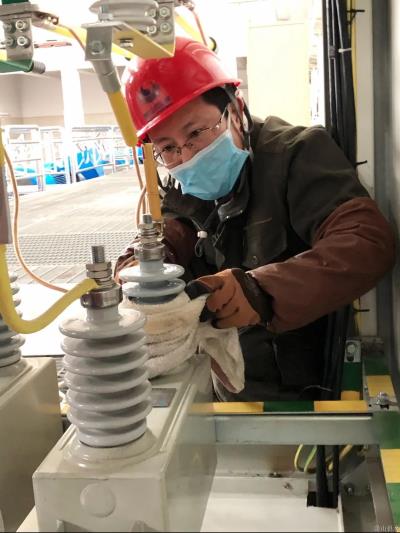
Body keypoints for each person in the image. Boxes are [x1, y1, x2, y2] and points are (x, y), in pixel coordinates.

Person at [115, 36, 395, 402]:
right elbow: (174, 230)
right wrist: (140, 264)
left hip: (303, 393)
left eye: (195, 133)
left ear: (235, 110)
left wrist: (261, 291)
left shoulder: (297, 155)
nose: (186, 156)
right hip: (221, 386)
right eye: (168, 147)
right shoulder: (181, 184)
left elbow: (366, 242)